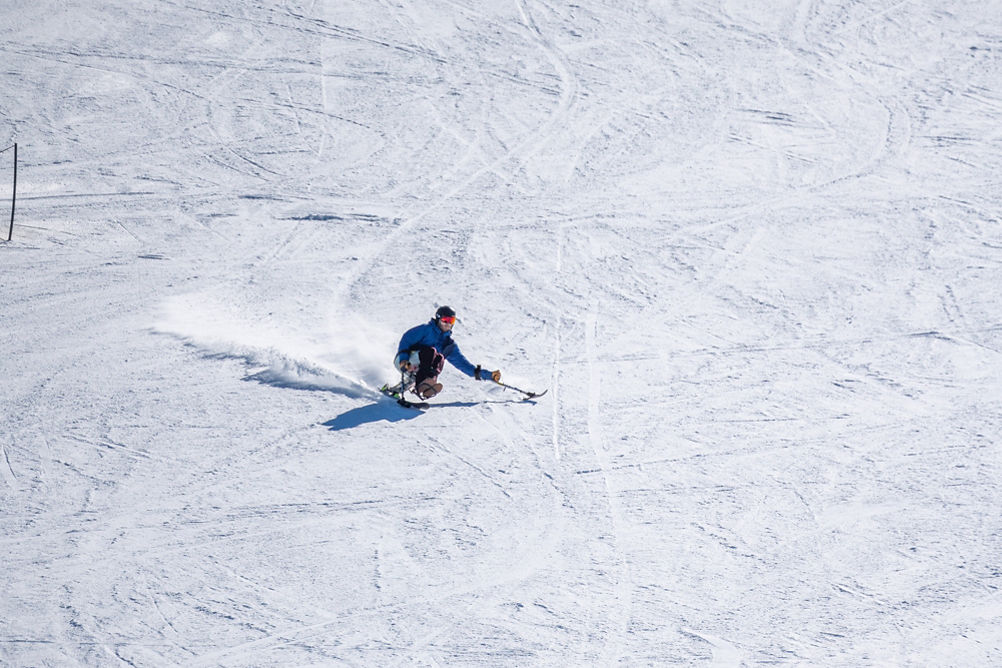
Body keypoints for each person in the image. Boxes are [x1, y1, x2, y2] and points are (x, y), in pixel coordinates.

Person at [394, 306, 501, 399]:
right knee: (431, 352)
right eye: (445, 320)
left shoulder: (448, 345)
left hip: (419, 369)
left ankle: (427, 385)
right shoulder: (426, 330)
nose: (448, 324)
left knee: (440, 358)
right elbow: (406, 340)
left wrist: (489, 375)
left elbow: (465, 366)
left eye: (451, 321)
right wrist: (404, 360)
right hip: (406, 361)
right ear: (438, 319)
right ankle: (422, 383)